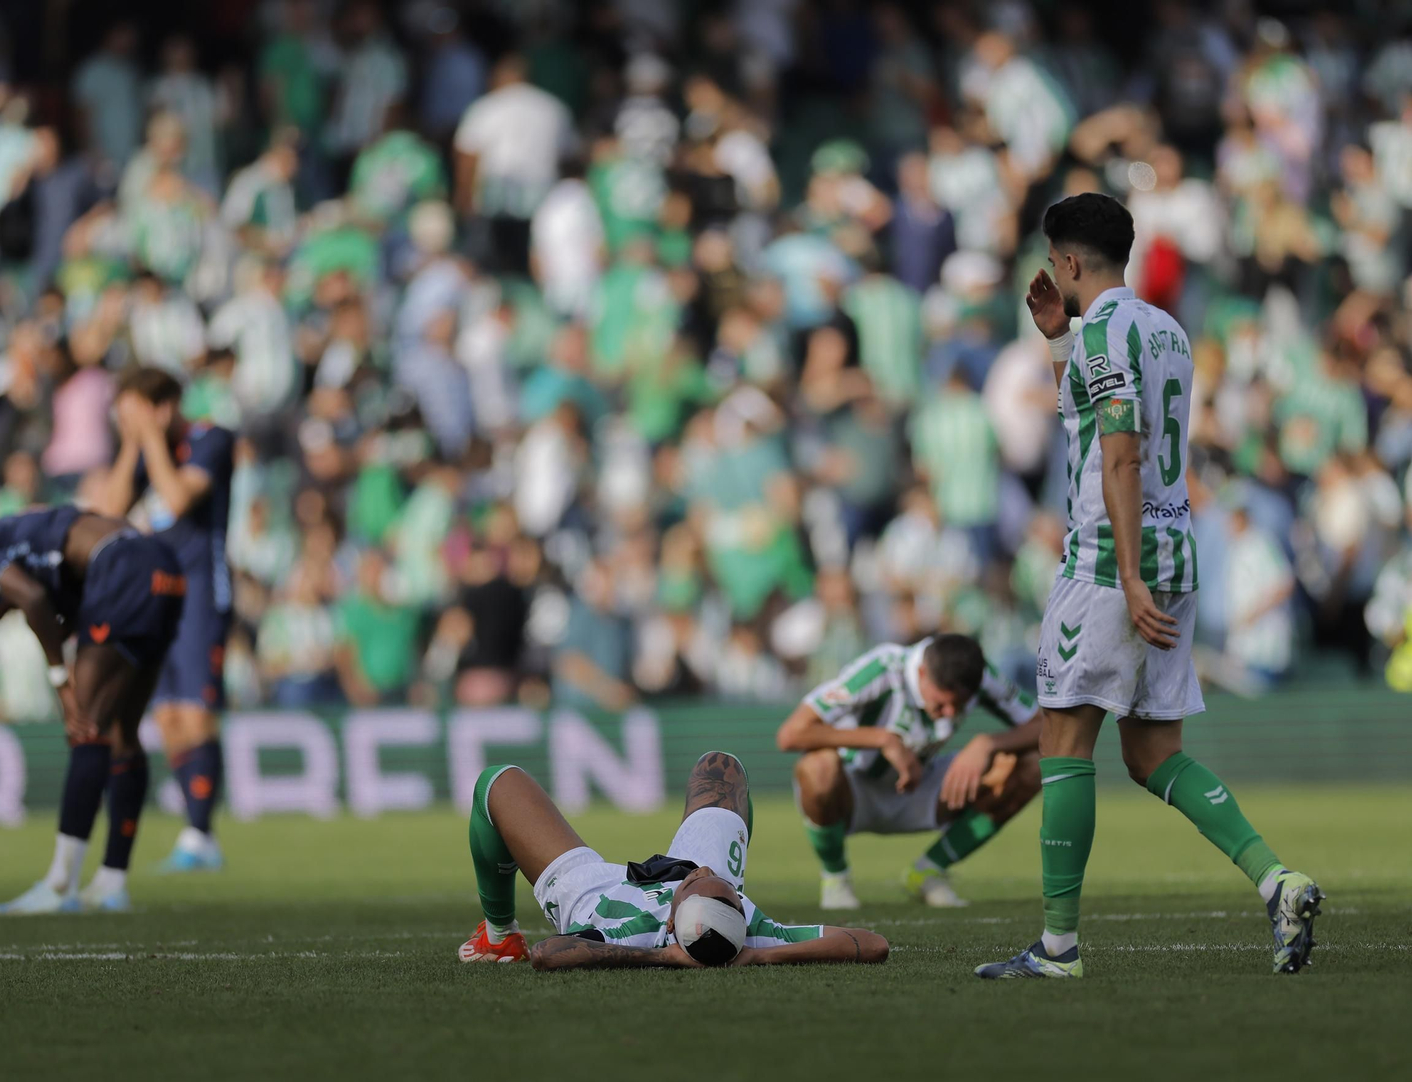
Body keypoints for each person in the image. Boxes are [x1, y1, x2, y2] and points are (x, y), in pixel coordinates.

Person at [976, 194, 1322, 980]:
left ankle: (1057, 949)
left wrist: (1126, 574)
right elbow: (1091, 421)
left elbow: (1121, 453)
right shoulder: (1166, 329)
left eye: (1053, 263)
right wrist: (1057, 339)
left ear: (1068, 261)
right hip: (1176, 549)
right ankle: (1279, 881)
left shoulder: (1102, 335)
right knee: (1152, 753)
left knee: (1064, 740)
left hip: (1110, 557)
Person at [0, 506, 185, 913]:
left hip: (120, 563)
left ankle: (60, 885)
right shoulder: (26, 549)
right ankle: (111, 882)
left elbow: (32, 597)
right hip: (162, 565)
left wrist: (61, 682)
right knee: (122, 733)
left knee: (86, 728)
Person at [460, 751, 890, 970]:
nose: (703, 872)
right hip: (690, 892)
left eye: (695, 882)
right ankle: (708, 890)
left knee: (496, 782)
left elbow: (548, 954)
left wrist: (663, 958)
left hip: (593, 892)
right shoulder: (756, 930)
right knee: (721, 767)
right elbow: (873, 944)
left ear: (670, 923)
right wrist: (760, 956)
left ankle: (499, 936)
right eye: (728, 891)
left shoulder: (637, 934)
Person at [778, 633, 1041, 910]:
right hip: (853, 789)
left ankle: (928, 871)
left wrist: (986, 744)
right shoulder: (884, 668)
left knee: (1033, 764)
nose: (950, 713)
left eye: (959, 705)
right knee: (818, 767)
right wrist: (884, 739)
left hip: (922, 786)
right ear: (922, 673)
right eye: (941, 704)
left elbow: (1045, 726)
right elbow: (790, 734)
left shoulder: (980, 674)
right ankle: (836, 878)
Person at [95, 368, 235, 873]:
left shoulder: (210, 439)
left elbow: (177, 500)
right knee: (169, 717)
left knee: (197, 713)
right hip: (157, 597)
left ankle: (201, 834)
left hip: (201, 595)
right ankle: (196, 833)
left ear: (165, 406)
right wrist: (133, 444)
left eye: (136, 413)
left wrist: (151, 437)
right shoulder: (142, 453)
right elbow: (108, 512)